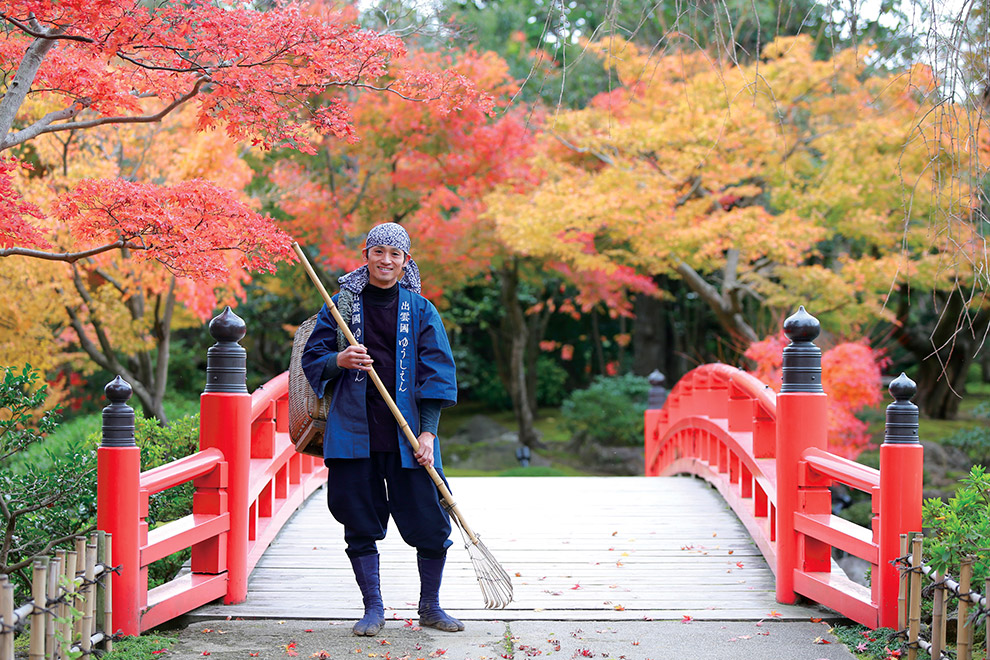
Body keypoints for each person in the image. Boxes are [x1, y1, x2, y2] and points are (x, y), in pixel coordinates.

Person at [301, 222, 462, 637]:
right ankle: (373, 608)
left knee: (429, 519)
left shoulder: (420, 309)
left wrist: (427, 433)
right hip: (355, 433)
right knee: (358, 519)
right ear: (366, 255)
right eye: (378, 252)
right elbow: (313, 356)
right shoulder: (339, 305)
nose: (386, 260)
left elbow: (437, 372)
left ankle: (431, 606)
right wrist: (340, 360)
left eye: (395, 254)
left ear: (406, 261)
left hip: (408, 438)